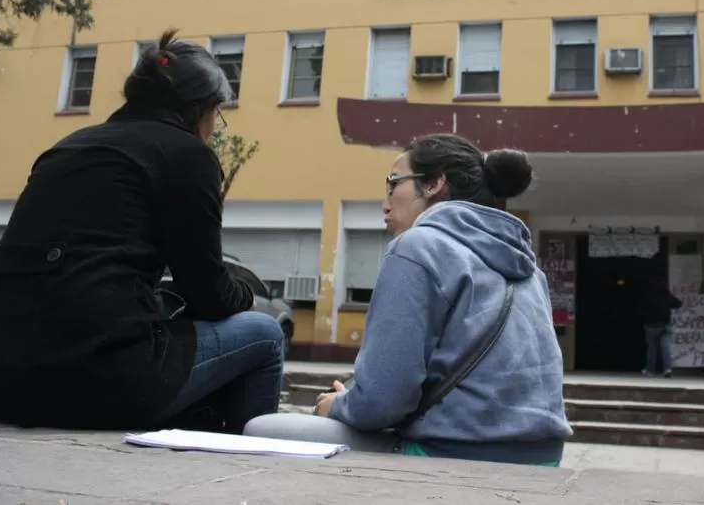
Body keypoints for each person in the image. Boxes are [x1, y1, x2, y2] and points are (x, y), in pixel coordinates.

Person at [0, 29, 285, 434]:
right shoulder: (187, 154)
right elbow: (209, 294)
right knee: (264, 333)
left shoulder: (69, 145)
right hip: (89, 378)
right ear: (203, 109)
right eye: (218, 114)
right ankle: (241, 462)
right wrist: (245, 298)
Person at [245, 134, 572, 466]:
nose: (385, 202)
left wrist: (337, 405)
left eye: (392, 184)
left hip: (455, 455)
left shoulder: (418, 246)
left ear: (433, 184)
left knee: (261, 429)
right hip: (543, 459)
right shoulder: (531, 269)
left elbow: (383, 403)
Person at [638, 276, 683, 378]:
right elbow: (678, 304)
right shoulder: (666, 294)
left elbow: (642, 308)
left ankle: (650, 370)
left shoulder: (648, 295)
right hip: (666, 325)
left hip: (651, 325)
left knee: (652, 349)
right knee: (665, 348)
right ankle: (668, 368)